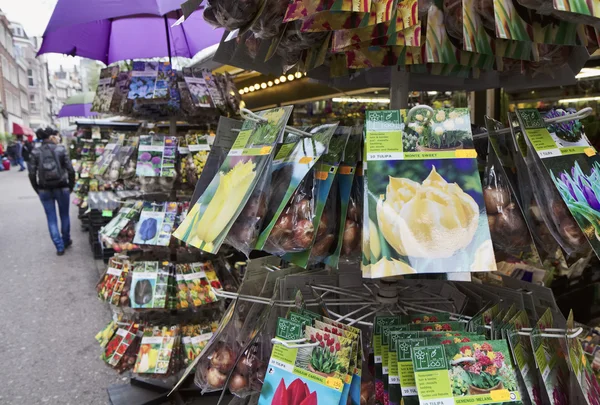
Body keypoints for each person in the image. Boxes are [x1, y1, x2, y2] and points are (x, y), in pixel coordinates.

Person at [28, 127, 75, 255]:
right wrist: (70, 186)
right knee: (64, 215)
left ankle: (59, 247)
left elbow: (31, 173)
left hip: (44, 189)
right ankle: (66, 240)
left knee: (51, 218)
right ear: (51, 137)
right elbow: (70, 170)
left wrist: (37, 188)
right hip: (62, 187)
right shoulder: (60, 149)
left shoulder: (35, 152)